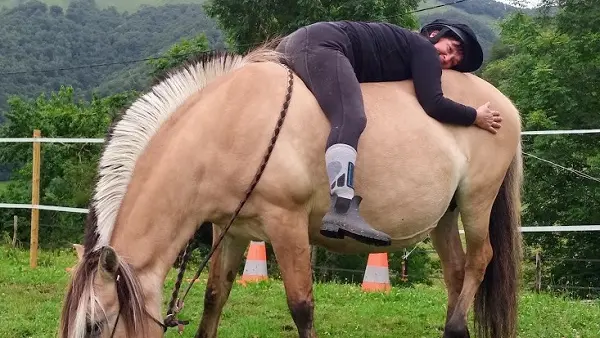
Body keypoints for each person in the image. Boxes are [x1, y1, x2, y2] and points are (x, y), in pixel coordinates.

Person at [275, 19, 502, 247]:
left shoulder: (404, 46)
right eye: (450, 49)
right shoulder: (424, 49)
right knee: (351, 116)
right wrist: (475, 115)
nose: (446, 59)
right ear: (434, 34)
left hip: (292, 44)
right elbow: (434, 103)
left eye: (453, 62)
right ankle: (341, 205)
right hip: (322, 45)